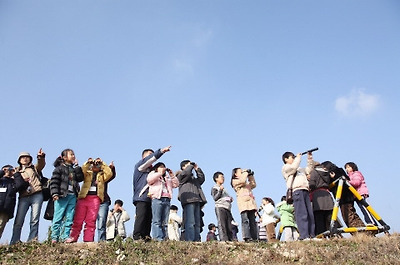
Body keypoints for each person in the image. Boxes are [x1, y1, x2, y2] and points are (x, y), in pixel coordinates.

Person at [66, 158, 112, 243]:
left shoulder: (102, 176)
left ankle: (88, 239)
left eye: (97, 165)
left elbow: (109, 173)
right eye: (94, 165)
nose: (95, 166)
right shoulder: (87, 174)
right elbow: (82, 170)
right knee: (78, 219)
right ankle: (73, 237)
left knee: (91, 220)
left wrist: (103, 163)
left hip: (95, 198)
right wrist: (88, 162)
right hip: (83, 198)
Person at [132, 146, 171, 240]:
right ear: (143, 157)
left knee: (150, 218)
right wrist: (161, 151)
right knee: (141, 217)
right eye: (149, 155)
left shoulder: (153, 171)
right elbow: (150, 159)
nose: (151, 157)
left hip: (153, 198)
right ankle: (137, 237)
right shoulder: (140, 166)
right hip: (142, 197)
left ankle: (146, 237)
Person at [10, 149, 46, 245]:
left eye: (27, 157)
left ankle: (32, 240)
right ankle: (14, 241)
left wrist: (40, 157)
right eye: (23, 157)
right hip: (23, 196)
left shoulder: (34, 168)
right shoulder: (16, 170)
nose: (25, 159)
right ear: (19, 160)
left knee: (34, 219)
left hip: (36, 194)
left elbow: (41, 164)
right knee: (19, 220)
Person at [50, 149, 84, 243]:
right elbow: (54, 182)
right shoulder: (59, 168)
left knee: (70, 217)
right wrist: (55, 193)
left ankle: (65, 237)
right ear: (64, 158)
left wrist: (77, 166)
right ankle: (54, 237)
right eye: (71, 154)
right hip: (62, 195)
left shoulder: (73, 169)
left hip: (72, 195)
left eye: (73, 154)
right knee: (58, 217)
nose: (73, 156)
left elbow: (80, 178)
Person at [282, 151, 316, 240]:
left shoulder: (299, 168)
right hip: (297, 191)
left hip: (305, 190)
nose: (293, 158)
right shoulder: (286, 168)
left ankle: (311, 235)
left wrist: (309, 158)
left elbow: (309, 169)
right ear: (286, 159)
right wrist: (298, 158)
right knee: (302, 214)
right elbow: (293, 168)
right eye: (291, 157)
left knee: (309, 214)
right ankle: (304, 235)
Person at [147, 162, 179, 241]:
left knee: (165, 221)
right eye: (161, 167)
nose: (163, 168)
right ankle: (158, 238)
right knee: (157, 220)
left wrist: (172, 175)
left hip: (167, 199)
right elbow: (149, 180)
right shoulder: (153, 174)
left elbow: (176, 184)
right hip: (157, 198)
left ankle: (164, 238)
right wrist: (159, 173)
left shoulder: (167, 177)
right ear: (156, 168)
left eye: (164, 167)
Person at [177, 160, 207, 242]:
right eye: (188, 165)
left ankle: (196, 239)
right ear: (183, 167)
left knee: (197, 223)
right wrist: (190, 166)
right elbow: (186, 173)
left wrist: (197, 169)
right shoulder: (181, 176)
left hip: (197, 200)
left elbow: (202, 179)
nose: (190, 166)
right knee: (190, 222)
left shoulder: (194, 180)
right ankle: (189, 240)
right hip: (188, 200)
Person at [0, 165, 28, 239]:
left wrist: (16, 174)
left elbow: (20, 185)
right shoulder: (1, 180)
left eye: (10, 169)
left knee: (0, 226)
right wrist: (3, 172)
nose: (8, 171)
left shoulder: (13, 182)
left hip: (6, 209)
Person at [231, 168, 258, 241]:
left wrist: (250, 176)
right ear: (235, 174)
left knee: (252, 221)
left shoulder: (246, 184)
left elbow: (253, 185)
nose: (242, 172)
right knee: (245, 220)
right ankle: (247, 237)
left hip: (250, 204)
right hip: (243, 204)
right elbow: (242, 181)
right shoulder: (235, 181)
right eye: (240, 171)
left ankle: (254, 237)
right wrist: (245, 172)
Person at [309, 162, 335, 236]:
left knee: (319, 217)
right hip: (327, 195)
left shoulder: (314, 172)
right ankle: (333, 234)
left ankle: (321, 235)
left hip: (318, 196)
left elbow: (312, 184)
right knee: (330, 217)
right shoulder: (327, 173)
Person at [211, 171, 233, 241]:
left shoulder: (225, 189)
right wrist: (220, 190)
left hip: (227, 207)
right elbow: (215, 198)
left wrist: (230, 199)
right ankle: (223, 239)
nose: (223, 178)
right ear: (216, 179)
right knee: (222, 224)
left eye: (223, 177)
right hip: (220, 207)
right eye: (221, 177)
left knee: (229, 225)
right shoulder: (215, 188)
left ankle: (230, 239)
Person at [97, 161, 116, 241]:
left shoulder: (103, 177)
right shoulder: (88, 176)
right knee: (90, 222)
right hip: (90, 201)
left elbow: (111, 175)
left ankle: (101, 241)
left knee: (101, 221)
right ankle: (89, 239)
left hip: (103, 201)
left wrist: (111, 168)